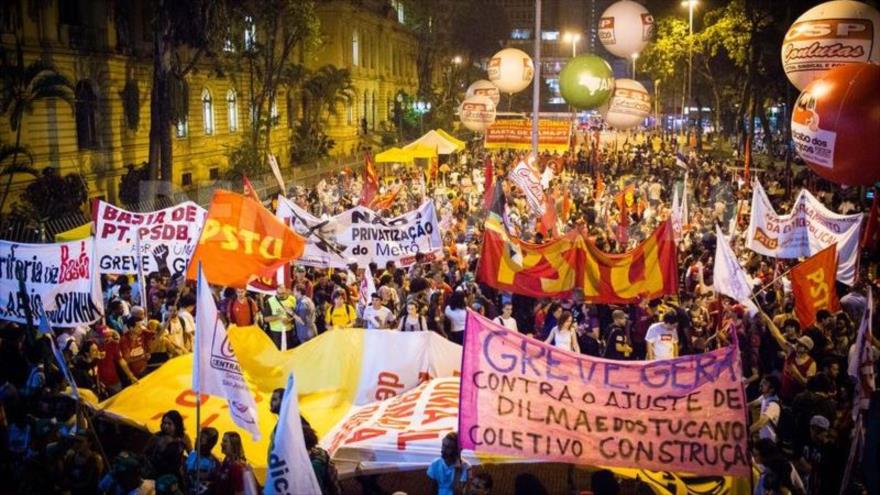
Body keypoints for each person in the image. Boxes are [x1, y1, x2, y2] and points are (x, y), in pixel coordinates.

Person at [144, 410, 191, 483]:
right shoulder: (156, 437)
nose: (166, 426)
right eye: (164, 423)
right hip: (157, 476)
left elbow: (191, 455)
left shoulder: (184, 438)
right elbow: (145, 455)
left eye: (169, 424)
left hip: (175, 477)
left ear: (177, 425)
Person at [186, 427, 220, 495]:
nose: (196, 441)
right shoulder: (192, 455)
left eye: (201, 440)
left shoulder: (214, 463)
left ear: (210, 444)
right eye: (197, 438)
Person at [749, 375, 782, 443]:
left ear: (772, 389)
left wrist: (747, 431)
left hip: (770, 442)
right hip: (763, 438)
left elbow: (762, 422)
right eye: (762, 381)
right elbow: (752, 404)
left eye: (765, 383)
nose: (761, 384)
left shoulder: (773, 405)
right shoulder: (765, 397)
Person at [265, 285, 296, 350]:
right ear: (276, 292)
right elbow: (266, 319)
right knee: (278, 351)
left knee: (289, 350)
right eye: (278, 293)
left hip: (289, 331)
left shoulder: (292, 299)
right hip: (276, 332)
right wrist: (279, 317)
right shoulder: (270, 301)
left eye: (282, 293)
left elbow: (296, 315)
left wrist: (290, 320)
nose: (280, 295)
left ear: (286, 292)